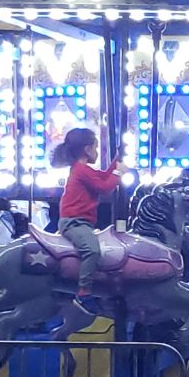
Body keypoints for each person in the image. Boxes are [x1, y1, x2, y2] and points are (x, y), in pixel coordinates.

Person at [52, 128, 124, 311]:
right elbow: (104, 186)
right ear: (87, 149)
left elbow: (103, 176)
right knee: (92, 250)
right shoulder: (81, 169)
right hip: (74, 221)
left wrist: (118, 159)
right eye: (96, 147)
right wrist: (118, 173)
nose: (97, 152)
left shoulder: (84, 170)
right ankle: (84, 292)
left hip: (81, 221)